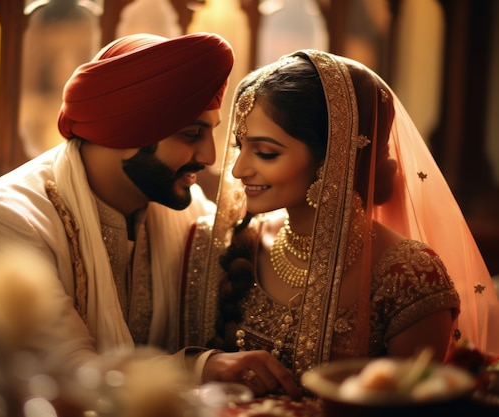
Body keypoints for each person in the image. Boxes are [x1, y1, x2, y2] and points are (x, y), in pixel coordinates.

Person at [181, 49, 499, 394]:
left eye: (265, 153)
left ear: (335, 157)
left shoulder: (408, 276)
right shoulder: (224, 241)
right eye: (240, 146)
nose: (238, 170)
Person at [0, 32, 243, 380]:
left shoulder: (182, 206)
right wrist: (202, 367)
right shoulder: (2, 223)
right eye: (191, 134)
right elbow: (69, 377)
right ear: (126, 130)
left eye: (212, 134)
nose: (208, 156)